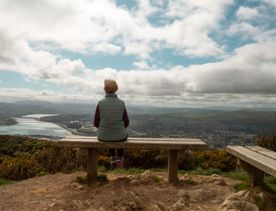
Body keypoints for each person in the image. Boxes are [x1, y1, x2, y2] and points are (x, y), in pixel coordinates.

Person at [93, 79, 129, 168]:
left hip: (103, 136)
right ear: (116, 88)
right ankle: (120, 159)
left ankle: (113, 158)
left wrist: (105, 127)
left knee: (109, 136)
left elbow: (96, 122)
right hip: (120, 136)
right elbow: (127, 122)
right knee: (119, 136)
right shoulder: (121, 103)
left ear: (105, 89)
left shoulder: (100, 103)